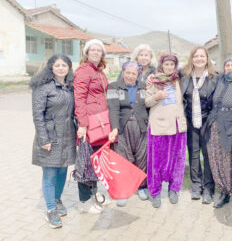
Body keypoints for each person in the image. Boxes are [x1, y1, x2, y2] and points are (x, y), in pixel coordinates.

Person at [31, 54, 76, 228]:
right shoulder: (42, 88)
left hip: (67, 136)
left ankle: (57, 200)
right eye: (57, 65)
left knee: (62, 171)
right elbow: (37, 115)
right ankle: (50, 209)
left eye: (64, 65)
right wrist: (44, 139)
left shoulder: (70, 87)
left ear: (69, 68)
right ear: (51, 67)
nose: (60, 68)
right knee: (49, 173)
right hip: (50, 136)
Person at [145, 54, 187, 208]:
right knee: (157, 161)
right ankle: (155, 192)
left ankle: (174, 189)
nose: (169, 67)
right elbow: (147, 102)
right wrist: (156, 96)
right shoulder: (154, 80)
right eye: (166, 64)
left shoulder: (178, 79)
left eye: (172, 64)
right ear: (161, 65)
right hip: (159, 126)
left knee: (177, 160)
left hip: (177, 125)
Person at [107, 61, 150, 206]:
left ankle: (142, 187)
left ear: (138, 74)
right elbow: (113, 109)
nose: (131, 76)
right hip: (122, 126)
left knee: (142, 156)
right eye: (128, 72)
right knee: (122, 158)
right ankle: (123, 191)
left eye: (134, 73)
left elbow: (149, 106)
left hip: (141, 126)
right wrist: (114, 128)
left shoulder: (144, 87)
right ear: (123, 72)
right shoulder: (114, 87)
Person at [74, 39, 109, 213]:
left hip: (100, 124)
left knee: (95, 162)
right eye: (92, 50)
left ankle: (95, 195)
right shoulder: (83, 71)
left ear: (102, 54)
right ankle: (84, 202)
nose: (95, 52)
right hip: (88, 125)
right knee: (85, 163)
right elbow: (79, 99)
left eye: (98, 50)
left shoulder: (100, 72)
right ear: (86, 53)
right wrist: (83, 124)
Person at [180, 46, 219, 204]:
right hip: (190, 120)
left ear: (207, 58)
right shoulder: (184, 76)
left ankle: (209, 188)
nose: (199, 59)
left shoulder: (215, 77)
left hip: (207, 121)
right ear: (192, 59)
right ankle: (196, 186)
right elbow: (165, 75)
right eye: (196, 56)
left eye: (202, 56)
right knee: (194, 153)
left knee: (208, 155)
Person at [207, 55, 232, 209]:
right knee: (216, 157)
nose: (229, 68)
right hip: (214, 124)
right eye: (227, 65)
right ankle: (224, 192)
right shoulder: (220, 80)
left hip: (230, 126)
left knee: (230, 160)